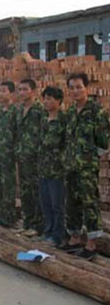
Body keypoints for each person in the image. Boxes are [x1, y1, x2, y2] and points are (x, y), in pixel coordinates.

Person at [65, 73, 110, 259]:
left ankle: (91, 244)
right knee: (72, 202)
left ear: (87, 88)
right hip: (71, 165)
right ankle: (75, 239)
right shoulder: (70, 112)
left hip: (86, 167)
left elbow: (103, 142)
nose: (76, 91)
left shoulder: (96, 111)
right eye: (72, 87)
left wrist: (90, 158)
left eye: (79, 87)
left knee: (89, 203)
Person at [38, 86, 66, 246]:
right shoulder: (44, 119)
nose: (47, 102)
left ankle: (58, 235)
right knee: (46, 203)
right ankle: (48, 232)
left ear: (59, 100)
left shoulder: (64, 120)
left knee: (57, 205)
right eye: (45, 98)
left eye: (50, 98)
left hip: (58, 169)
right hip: (43, 168)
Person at [16, 78, 45, 237]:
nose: (22, 92)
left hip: (35, 157)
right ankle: (27, 223)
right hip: (23, 156)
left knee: (36, 191)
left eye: (25, 89)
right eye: (20, 89)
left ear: (33, 91)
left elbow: (43, 133)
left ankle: (38, 226)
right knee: (25, 192)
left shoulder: (39, 110)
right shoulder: (20, 110)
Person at [0, 82, 18, 228]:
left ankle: (9, 217)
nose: (1, 94)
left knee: (8, 187)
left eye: (4, 91)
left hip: (8, 155)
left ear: (11, 93)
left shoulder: (15, 112)